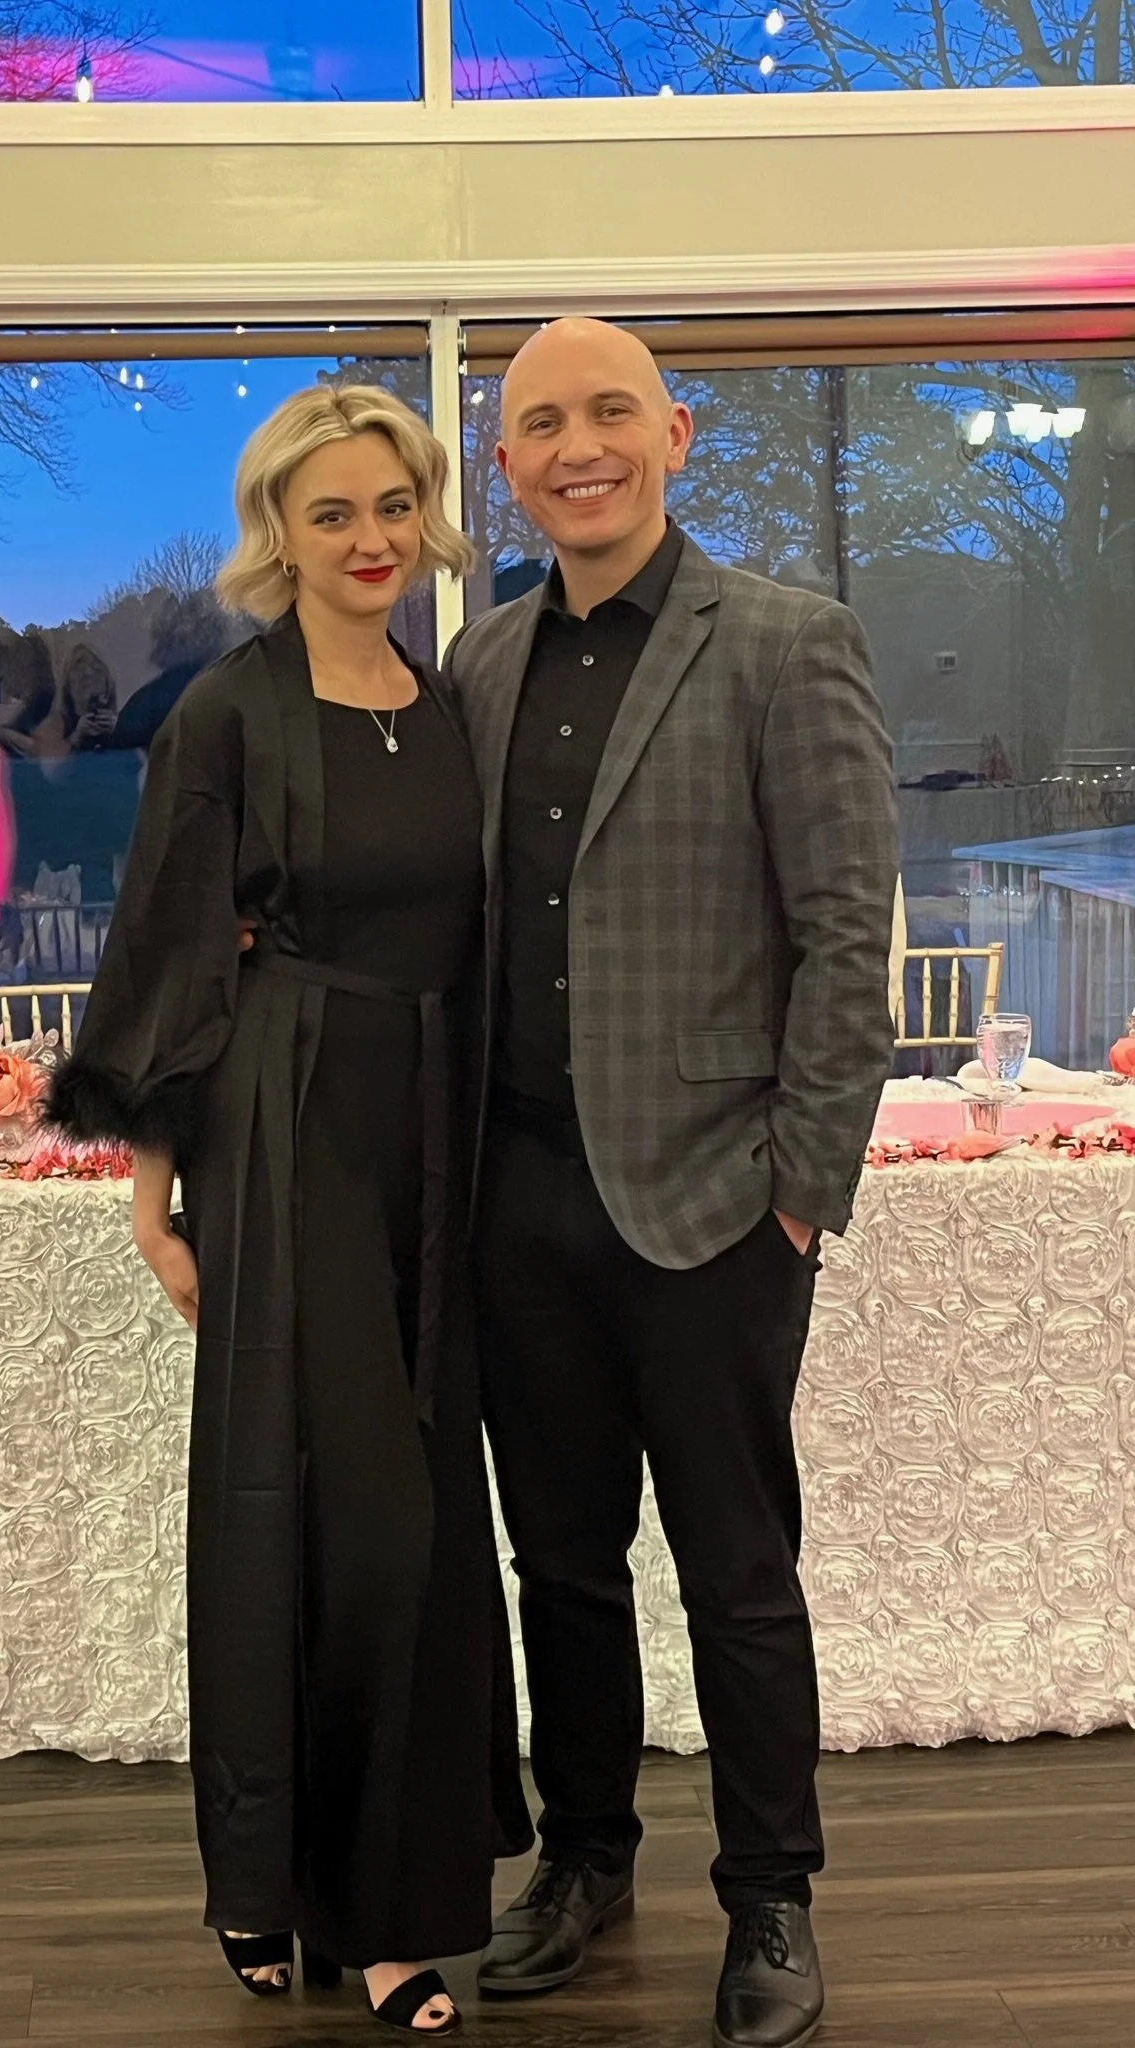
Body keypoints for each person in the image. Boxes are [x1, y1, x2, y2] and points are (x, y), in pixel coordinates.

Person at [44, 385, 532, 2037]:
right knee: (339, 1517)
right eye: (332, 515)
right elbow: (173, 950)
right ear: (280, 533)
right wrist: (153, 1191)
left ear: (427, 514)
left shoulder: (448, 696)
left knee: (422, 1525)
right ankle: (349, 1913)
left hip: (436, 1136)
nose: (370, 540)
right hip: (289, 1125)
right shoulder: (230, 714)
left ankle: (349, 1891)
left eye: (392, 507)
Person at [443, 320, 898, 2048]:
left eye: (609, 411)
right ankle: (585, 1858)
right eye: (540, 421)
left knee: (737, 1570)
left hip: (717, 1207)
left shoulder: (787, 644)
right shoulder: (476, 668)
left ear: (676, 432)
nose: (578, 445)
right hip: (519, 1203)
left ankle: (772, 1900)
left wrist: (802, 1189)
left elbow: (851, 931)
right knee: (558, 1565)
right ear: (508, 463)